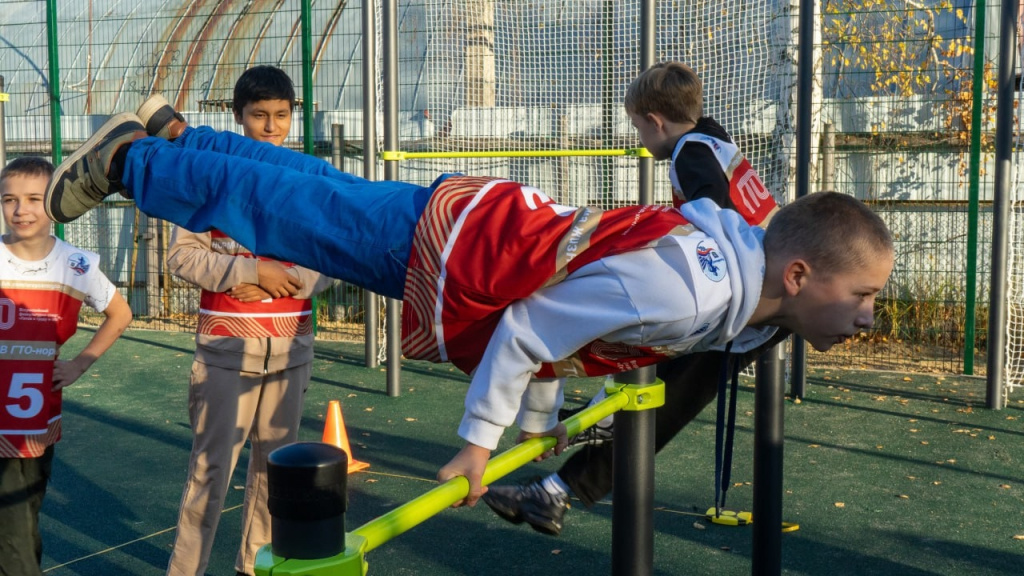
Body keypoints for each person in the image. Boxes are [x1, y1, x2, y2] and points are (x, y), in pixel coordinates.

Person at [43, 102, 894, 511]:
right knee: (285, 217)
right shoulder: (695, 288)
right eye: (860, 295)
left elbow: (570, 316)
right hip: (450, 255)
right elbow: (530, 328)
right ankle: (131, 163)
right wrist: (477, 445)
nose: (865, 317)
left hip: (470, 231)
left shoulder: (734, 263)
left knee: (316, 196)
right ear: (797, 275)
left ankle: (180, 136)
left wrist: (536, 423)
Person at [481, 60, 787, 535]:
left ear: (656, 122)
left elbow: (720, 217)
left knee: (665, 392)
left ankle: (565, 476)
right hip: (759, 294)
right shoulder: (710, 135)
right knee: (660, 373)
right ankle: (577, 450)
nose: (640, 139)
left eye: (638, 126)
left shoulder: (690, 154)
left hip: (749, 303)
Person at [151, 66, 335, 576]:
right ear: (238, 117)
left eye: (280, 116)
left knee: (275, 479)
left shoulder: (307, 177)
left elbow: (326, 255)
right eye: (259, 116)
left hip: (291, 349)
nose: (271, 127)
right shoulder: (211, 171)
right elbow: (182, 257)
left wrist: (289, 278)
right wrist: (248, 270)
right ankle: (185, 570)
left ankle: (253, 568)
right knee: (209, 475)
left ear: (293, 116)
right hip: (226, 351)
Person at [0, 157, 132, 575]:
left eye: (35, 199)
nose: (21, 210)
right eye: (10, 200)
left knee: (27, 510)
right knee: (14, 526)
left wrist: (81, 363)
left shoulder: (76, 264)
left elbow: (120, 313)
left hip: (41, 414)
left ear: (54, 202)